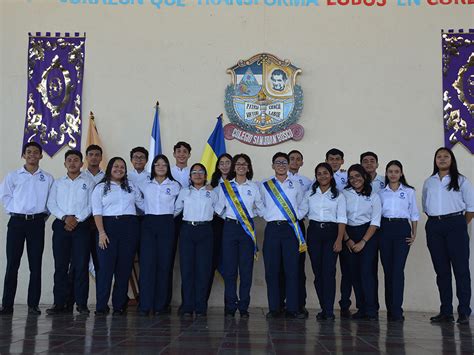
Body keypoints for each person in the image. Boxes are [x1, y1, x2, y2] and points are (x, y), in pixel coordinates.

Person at [0, 142, 54, 315]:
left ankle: (33, 304)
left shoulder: (47, 178)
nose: (32, 155)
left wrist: (40, 217)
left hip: (37, 224)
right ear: (23, 155)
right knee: (12, 264)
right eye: (28, 152)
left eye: (36, 152)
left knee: (35, 264)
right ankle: (7, 304)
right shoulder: (13, 176)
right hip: (16, 223)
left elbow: (51, 202)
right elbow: (5, 197)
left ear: (41, 156)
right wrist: (16, 211)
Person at [422, 147, 473, 324]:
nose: (442, 159)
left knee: (461, 270)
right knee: (442, 271)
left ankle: (464, 311)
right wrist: (439, 221)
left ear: (452, 160)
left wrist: (458, 225)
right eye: (439, 157)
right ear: (435, 160)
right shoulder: (429, 182)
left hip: (456, 225)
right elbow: (426, 206)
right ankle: (446, 311)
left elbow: (471, 208)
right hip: (435, 226)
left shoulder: (461, 180)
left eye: (446, 156)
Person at [91, 157, 144, 315]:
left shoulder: (131, 186)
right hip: (107, 228)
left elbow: (142, 205)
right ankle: (101, 306)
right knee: (105, 269)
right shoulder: (100, 188)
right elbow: (97, 211)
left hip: (129, 228)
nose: (119, 169)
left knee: (124, 268)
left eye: (122, 167)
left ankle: (119, 305)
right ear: (109, 168)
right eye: (116, 166)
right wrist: (101, 232)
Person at [46, 150, 95, 315]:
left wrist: (77, 219)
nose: (72, 162)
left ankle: (81, 304)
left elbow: (91, 205)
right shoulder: (58, 183)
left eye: (76, 160)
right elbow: (51, 203)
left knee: (81, 266)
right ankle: (59, 303)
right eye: (69, 160)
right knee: (60, 266)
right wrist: (65, 217)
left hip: (81, 227)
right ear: (65, 164)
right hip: (61, 226)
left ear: (82, 164)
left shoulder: (88, 183)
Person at [215, 154, 264, 318]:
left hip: (247, 231)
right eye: (238, 164)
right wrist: (231, 219)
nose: (241, 166)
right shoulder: (226, 186)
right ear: (234, 167)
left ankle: (243, 306)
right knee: (229, 270)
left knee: (246, 269)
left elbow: (260, 208)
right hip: (229, 229)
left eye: (244, 164)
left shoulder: (254, 187)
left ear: (248, 167)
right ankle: (230, 305)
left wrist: (248, 218)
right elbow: (218, 209)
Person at [261, 152, 305, 319]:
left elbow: (303, 205)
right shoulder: (265, 185)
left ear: (288, 165)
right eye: (277, 162)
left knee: (292, 270)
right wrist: (268, 215)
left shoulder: (296, 185)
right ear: (273, 165)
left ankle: (292, 308)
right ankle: (274, 308)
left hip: (290, 230)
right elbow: (259, 205)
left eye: (284, 162)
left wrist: (296, 217)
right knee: (272, 270)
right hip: (272, 229)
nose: (281, 164)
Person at [300, 162, 347, 321]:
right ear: (316, 176)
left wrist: (339, 239)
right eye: (319, 173)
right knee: (317, 272)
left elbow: (342, 219)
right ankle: (323, 308)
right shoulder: (310, 194)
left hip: (331, 233)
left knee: (329, 272)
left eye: (325, 173)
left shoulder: (338, 195)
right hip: (314, 233)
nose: (322, 176)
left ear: (331, 175)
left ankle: (329, 310)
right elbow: (301, 212)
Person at [137, 154, 180, 316]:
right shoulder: (144, 184)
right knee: (147, 264)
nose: (161, 167)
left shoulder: (175, 185)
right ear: (153, 167)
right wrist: (147, 210)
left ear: (168, 167)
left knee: (164, 264)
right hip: (148, 224)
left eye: (164, 164)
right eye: (157, 164)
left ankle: (161, 305)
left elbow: (180, 204)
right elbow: (138, 200)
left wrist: (169, 216)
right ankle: (145, 304)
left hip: (167, 224)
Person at [175, 163, 218, 317]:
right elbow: (175, 210)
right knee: (187, 269)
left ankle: (200, 307)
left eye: (201, 172)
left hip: (205, 231)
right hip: (187, 230)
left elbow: (220, 210)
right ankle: (187, 306)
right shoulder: (184, 192)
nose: (198, 174)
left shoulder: (211, 192)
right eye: (194, 172)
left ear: (205, 176)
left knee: (203, 270)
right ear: (190, 176)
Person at [378, 160, 419, 322]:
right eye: (390, 171)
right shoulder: (381, 193)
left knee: (398, 270)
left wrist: (414, 234)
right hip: (385, 229)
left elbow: (414, 213)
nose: (393, 174)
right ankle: (390, 309)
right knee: (388, 271)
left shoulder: (408, 191)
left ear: (401, 173)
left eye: (396, 171)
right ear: (386, 174)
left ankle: (397, 310)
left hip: (402, 230)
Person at [342, 164, 381, 321]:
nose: (354, 180)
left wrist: (363, 241)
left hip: (368, 235)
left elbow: (375, 221)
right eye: (351, 177)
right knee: (354, 273)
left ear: (364, 176)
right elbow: (341, 218)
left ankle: (371, 309)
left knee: (367, 273)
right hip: (348, 233)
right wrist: (348, 240)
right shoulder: (344, 194)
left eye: (357, 176)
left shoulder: (374, 196)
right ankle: (361, 308)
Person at [284, 149, 312, 317]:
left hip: (298, 226)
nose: (294, 161)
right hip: (280, 226)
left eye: (298, 159)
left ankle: (299, 303)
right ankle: (280, 303)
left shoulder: (307, 182)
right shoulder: (274, 181)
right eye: (291, 159)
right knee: (281, 266)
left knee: (298, 266)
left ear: (302, 162)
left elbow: (308, 203)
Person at [325, 148, 351, 318]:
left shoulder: (349, 177)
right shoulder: (320, 177)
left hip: (349, 227)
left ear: (342, 161)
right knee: (328, 270)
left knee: (347, 269)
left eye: (337, 159)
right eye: (331, 159)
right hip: (329, 229)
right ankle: (326, 306)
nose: (334, 161)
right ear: (326, 160)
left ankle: (345, 304)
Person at [168, 141, 192, 313]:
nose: (182, 154)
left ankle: (188, 302)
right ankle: (165, 301)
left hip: (189, 219)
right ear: (174, 154)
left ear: (189, 155)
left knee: (187, 261)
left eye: (185, 151)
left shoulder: (196, 172)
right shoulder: (167, 172)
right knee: (167, 259)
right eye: (179, 151)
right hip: (172, 218)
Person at [207, 153, 233, 301]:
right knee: (212, 261)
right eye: (221, 163)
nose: (224, 165)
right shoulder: (212, 186)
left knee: (229, 263)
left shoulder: (238, 183)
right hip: (216, 225)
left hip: (232, 224)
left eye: (227, 162)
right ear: (217, 166)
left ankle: (230, 303)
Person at [360, 151, 383, 314]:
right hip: (365, 229)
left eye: (372, 161)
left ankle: (374, 307)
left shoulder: (385, 181)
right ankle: (366, 306)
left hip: (383, 228)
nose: (369, 164)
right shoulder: (356, 183)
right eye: (365, 161)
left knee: (374, 269)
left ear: (377, 164)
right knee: (365, 269)